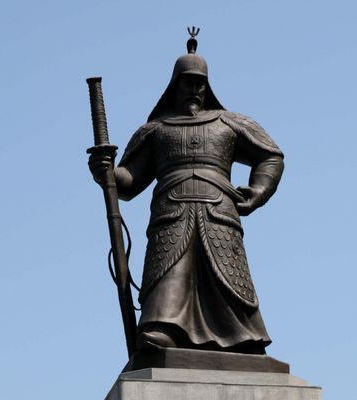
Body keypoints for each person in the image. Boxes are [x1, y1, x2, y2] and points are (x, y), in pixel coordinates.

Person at [89, 33, 284, 355]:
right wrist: (105, 172)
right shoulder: (156, 130)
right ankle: (162, 328)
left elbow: (270, 155)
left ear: (208, 86)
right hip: (171, 211)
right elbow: (128, 182)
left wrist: (259, 190)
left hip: (219, 210)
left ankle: (243, 337)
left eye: (199, 83)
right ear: (174, 85)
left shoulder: (230, 123)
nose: (194, 89)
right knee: (170, 270)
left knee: (226, 274)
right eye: (188, 83)